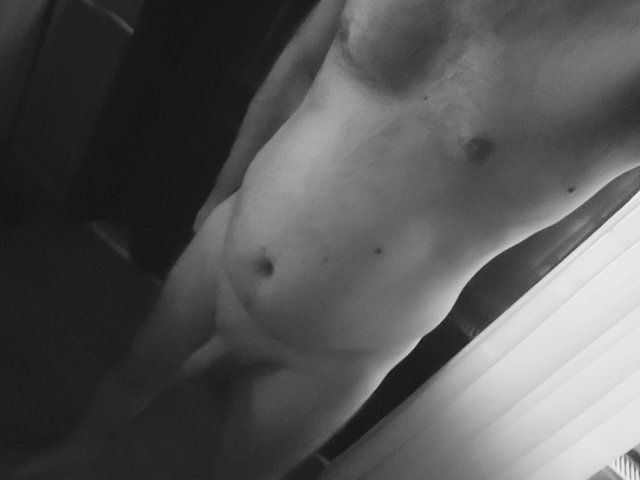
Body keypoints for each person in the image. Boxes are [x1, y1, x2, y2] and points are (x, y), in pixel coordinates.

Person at [17, 0, 640, 479]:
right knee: (131, 376)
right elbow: (300, 67)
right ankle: (74, 453)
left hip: (339, 353)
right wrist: (219, 198)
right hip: (225, 246)